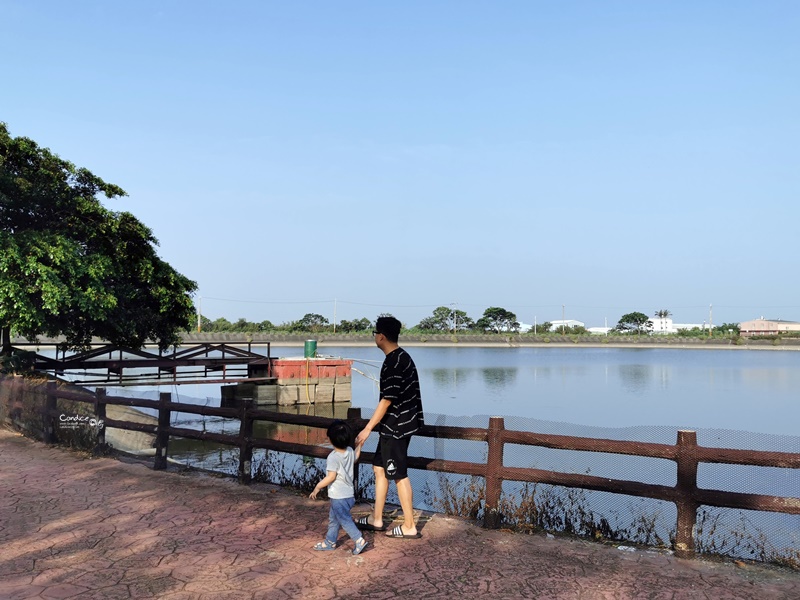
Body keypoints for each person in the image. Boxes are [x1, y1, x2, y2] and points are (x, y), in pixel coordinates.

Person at [355, 316, 424, 539]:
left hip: (396, 427)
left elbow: (387, 399)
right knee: (379, 468)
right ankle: (376, 518)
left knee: (399, 474)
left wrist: (367, 429)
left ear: (381, 336)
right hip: (393, 425)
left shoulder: (395, 362)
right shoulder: (401, 357)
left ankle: (410, 526)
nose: (374, 337)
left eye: (375, 333)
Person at [309, 420, 368, 555]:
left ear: (330, 440)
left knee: (344, 520)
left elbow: (331, 477)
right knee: (334, 520)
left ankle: (359, 540)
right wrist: (359, 446)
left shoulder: (333, 457)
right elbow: (355, 458)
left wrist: (317, 487)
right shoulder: (349, 451)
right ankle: (330, 541)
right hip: (348, 495)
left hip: (338, 496)